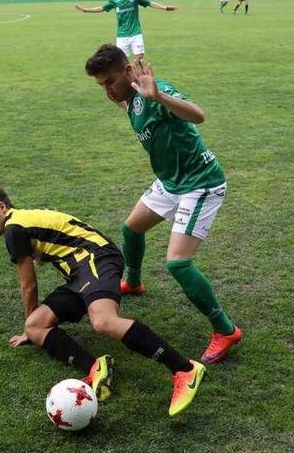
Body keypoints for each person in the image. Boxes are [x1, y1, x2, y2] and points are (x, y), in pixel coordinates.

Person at [0, 185, 207, 417]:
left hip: (96, 259)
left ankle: (185, 369)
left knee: (103, 321)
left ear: (2, 207)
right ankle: (96, 367)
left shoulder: (14, 227)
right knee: (35, 326)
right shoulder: (22, 219)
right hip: (78, 274)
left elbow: (28, 284)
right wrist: (29, 326)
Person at [84, 45, 242, 365]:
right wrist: (123, 96)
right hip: (170, 182)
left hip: (200, 183)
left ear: (129, 71)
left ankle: (225, 330)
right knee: (131, 229)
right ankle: (134, 281)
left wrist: (158, 96)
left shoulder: (156, 91)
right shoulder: (127, 98)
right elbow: (131, 104)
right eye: (101, 85)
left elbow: (198, 115)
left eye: (110, 81)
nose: (108, 90)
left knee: (178, 263)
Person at [75, 0, 178, 60]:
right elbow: (102, 8)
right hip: (122, 36)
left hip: (135, 34)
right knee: (122, 62)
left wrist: (166, 8)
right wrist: (86, 10)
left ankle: (140, 81)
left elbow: (149, 3)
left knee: (140, 59)